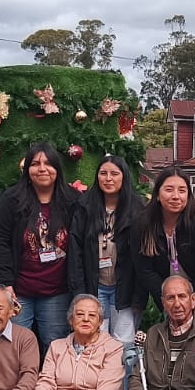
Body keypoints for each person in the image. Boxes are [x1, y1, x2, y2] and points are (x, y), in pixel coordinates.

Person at [0, 142, 77, 353]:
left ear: (58, 169)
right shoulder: (11, 200)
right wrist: (5, 283)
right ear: (27, 169)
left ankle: (50, 387)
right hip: (19, 291)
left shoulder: (73, 201)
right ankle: (15, 387)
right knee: (13, 346)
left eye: (48, 163)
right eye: (35, 164)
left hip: (57, 292)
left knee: (54, 346)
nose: (42, 169)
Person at [69, 154, 145, 359]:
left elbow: (143, 258)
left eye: (114, 173)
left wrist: (139, 296)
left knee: (124, 348)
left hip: (125, 290)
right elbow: (75, 250)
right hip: (94, 288)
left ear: (124, 177)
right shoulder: (85, 206)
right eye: (103, 173)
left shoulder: (137, 209)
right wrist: (80, 293)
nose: (108, 178)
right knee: (93, 345)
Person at [133, 168, 195, 313]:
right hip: (169, 303)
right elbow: (145, 270)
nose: (176, 196)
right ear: (157, 194)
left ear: (188, 195)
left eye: (182, 191)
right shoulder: (144, 224)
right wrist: (167, 301)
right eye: (169, 190)